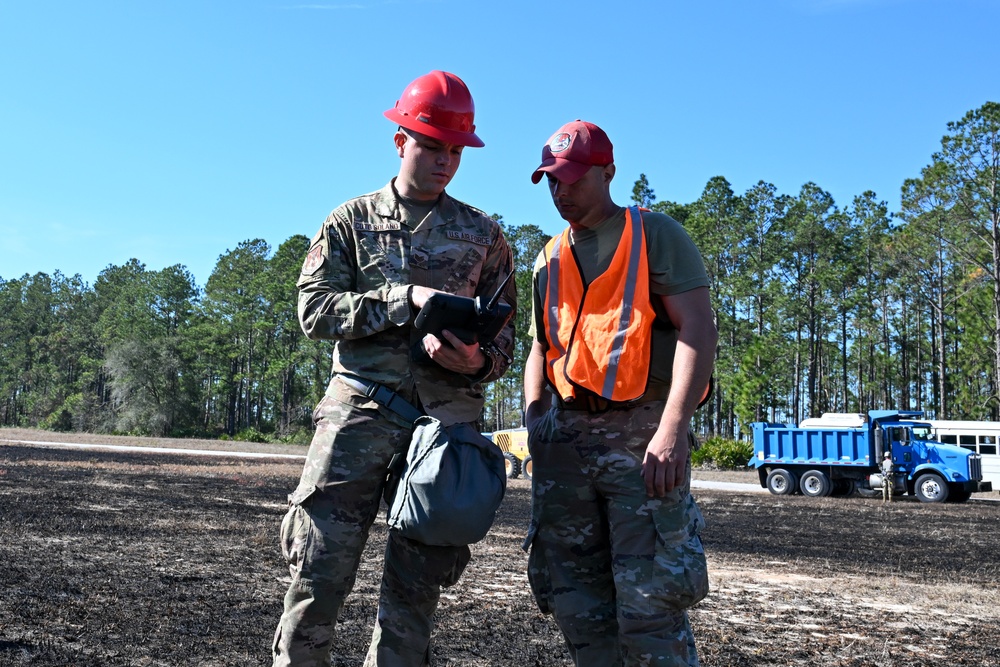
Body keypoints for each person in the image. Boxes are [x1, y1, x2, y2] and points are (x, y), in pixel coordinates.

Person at [271, 70, 516, 667]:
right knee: (319, 576)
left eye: (456, 151)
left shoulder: (483, 236)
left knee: (415, 593)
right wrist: (397, 300)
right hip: (358, 414)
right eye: (433, 146)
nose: (445, 162)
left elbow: (506, 341)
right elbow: (313, 310)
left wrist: (477, 360)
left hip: (443, 430)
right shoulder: (350, 222)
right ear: (401, 140)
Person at [521, 120, 717, 666]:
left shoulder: (656, 235)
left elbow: (698, 330)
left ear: (608, 172)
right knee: (577, 605)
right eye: (551, 181)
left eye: (571, 178)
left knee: (650, 607)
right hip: (565, 442)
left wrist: (673, 428)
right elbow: (541, 347)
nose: (561, 191)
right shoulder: (547, 255)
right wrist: (535, 418)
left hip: (641, 439)